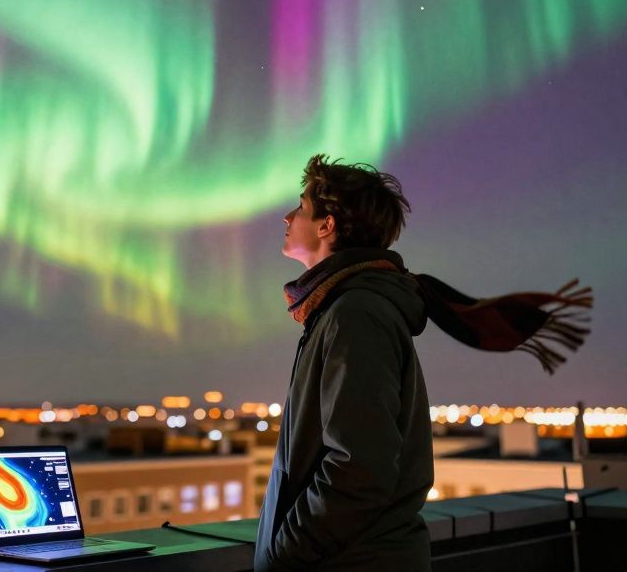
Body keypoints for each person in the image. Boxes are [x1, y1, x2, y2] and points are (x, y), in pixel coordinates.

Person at [253, 154, 592, 571]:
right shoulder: (343, 310)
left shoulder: (355, 315)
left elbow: (358, 469)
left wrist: (285, 553)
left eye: (302, 207)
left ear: (327, 225)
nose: (287, 216)